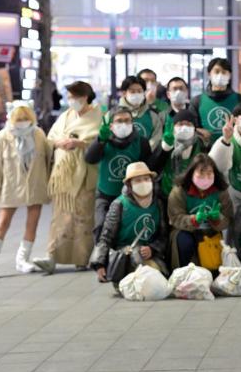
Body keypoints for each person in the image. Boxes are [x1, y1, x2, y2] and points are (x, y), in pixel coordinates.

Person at [33, 82, 103, 274]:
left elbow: (101, 141)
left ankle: (82, 257)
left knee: (83, 217)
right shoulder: (66, 115)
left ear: (86, 96)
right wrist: (59, 142)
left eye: (75, 97)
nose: (72, 101)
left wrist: (79, 143)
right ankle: (53, 255)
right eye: (70, 97)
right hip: (63, 173)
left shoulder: (99, 116)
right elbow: (51, 137)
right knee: (60, 216)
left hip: (84, 172)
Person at [0, 102, 52, 277]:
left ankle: (22, 259)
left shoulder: (39, 135)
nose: (22, 122)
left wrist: (49, 185)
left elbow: (48, 160)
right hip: (11, 187)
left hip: (35, 186)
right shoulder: (2, 137)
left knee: (32, 223)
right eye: (19, 119)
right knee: (3, 222)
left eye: (26, 118)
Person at [84, 107, 158, 243]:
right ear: (111, 125)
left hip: (132, 197)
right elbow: (90, 159)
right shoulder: (104, 139)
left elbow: (149, 167)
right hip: (106, 194)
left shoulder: (141, 142)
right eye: (119, 121)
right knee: (101, 227)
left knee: (125, 230)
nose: (123, 124)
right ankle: (100, 262)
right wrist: (100, 140)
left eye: (127, 121)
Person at [89, 162, 168, 283]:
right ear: (129, 184)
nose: (143, 183)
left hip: (150, 254)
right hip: (125, 256)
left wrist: (152, 249)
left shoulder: (158, 204)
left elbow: (163, 236)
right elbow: (106, 236)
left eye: (146, 179)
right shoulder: (119, 205)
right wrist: (99, 264)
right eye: (137, 180)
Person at [167, 154, 234, 270]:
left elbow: (228, 218)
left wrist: (218, 219)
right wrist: (193, 220)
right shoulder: (179, 191)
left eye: (209, 174)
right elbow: (174, 218)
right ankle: (183, 274)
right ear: (192, 173)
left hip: (210, 233)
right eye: (201, 174)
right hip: (186, 232)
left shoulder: (221, 191)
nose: (206, 178)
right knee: (184, 242)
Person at [190, 57, 241, 144]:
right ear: (209, 74)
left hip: (234, 148)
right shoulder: (197, 101)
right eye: (216, 71)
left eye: (224, 72)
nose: (220, 75)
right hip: (206, 150)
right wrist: (198, 131)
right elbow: (190, 127)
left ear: (229, 75)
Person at [152, 109, 206, 200]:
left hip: (193, 194)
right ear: (174, 127)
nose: (184, 127)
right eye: (180, 124)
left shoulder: (201, 145)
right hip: (167, 193)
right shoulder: (166, 141)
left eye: (189, 124)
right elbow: (153, 167)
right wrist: (165, 148)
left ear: (194, 128)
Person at [117, 75, 164, 150]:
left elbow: (156, 138)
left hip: (146, 158)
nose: (136, 94)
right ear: (124, 93)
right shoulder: (113, 115)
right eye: (132, 91)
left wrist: (144, 152)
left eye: (139, 91)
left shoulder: (153, 116)